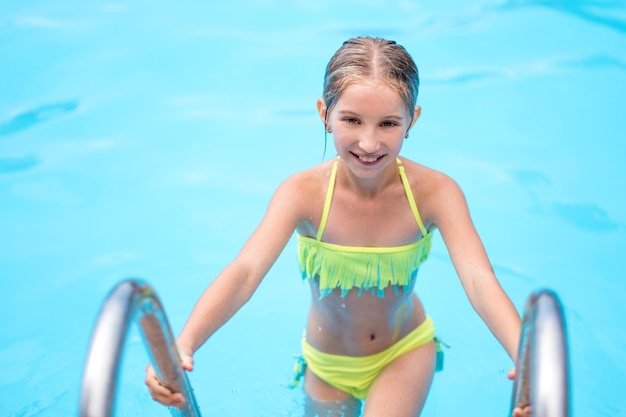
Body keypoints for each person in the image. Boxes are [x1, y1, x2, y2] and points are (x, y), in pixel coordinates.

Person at [145, 36, 530, 417]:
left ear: (412, 120)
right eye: (351, 120)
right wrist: (185, 343)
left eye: (389, 123)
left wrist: (525, 358)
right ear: (324, 114)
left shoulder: (436, 193)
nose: (368, 142)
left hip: (404, 351)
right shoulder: (302, 194)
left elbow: (479, 280)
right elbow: (244, 273)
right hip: (326, 364)